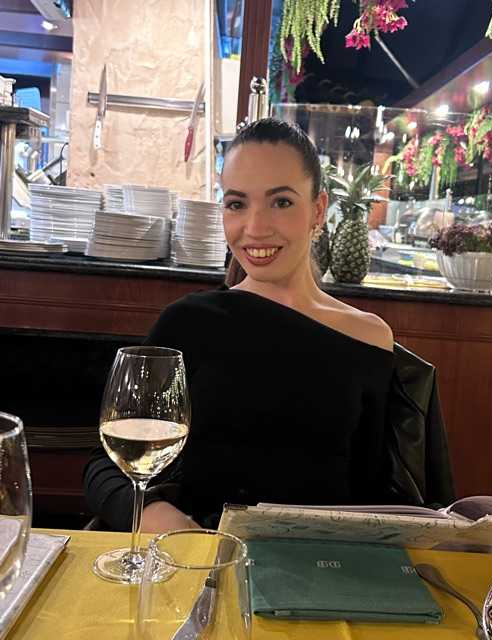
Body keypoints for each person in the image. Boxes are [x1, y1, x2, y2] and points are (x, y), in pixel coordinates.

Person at [83, 118, 395, 532]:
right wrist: (159, 517)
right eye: (236, 204)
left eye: (281, 202)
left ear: (318, 209)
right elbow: (105, 465)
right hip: (201, 556)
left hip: (320, 562)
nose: (255, 228)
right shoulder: (189, 322)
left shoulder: (370, 338)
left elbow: (378, 495)